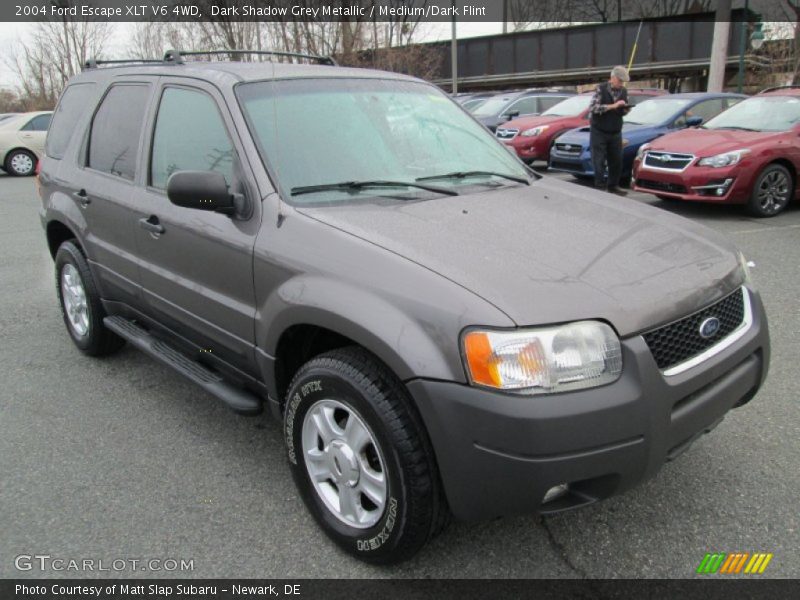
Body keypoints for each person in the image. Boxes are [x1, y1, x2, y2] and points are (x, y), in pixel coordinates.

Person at [589, 66, 631, 195]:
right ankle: (600, 186)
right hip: (599, 131)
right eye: (620, 81)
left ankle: (613, 186)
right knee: (599, 160)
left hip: (615, 131)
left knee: (616, 160)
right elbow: (593, 108)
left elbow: (621, 112)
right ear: (612, 78)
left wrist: (625, 109)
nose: (621, 84)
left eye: (623, 82)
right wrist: (613, 106)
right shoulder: (600, 89)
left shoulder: (623, 91)